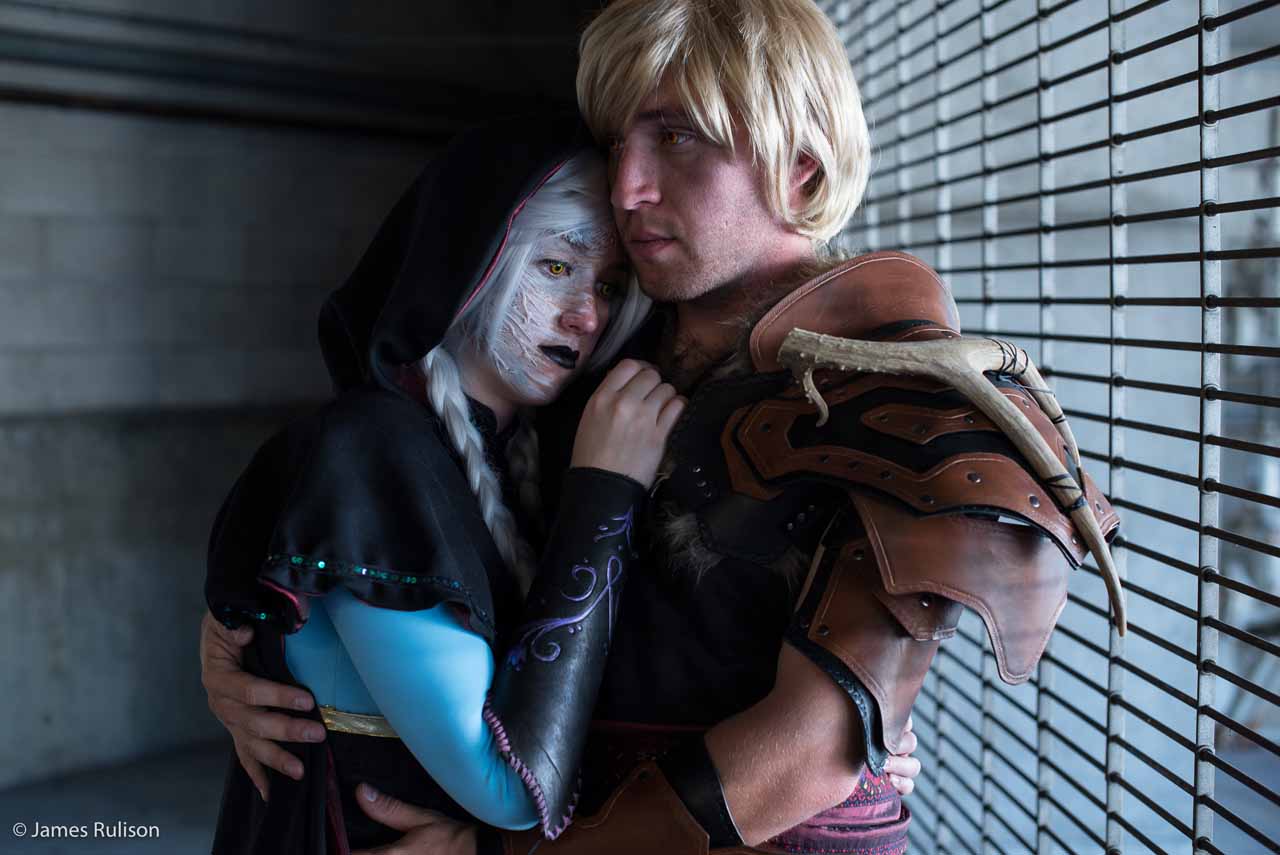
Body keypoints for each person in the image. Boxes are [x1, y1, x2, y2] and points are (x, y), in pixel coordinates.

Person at [203, 1, 1121, 852]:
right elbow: (380, 506)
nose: (629, 186)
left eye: (677, 137)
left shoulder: (899, 393)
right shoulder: (595, 367)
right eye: (620, 142)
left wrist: (510, 850)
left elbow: (808, 756)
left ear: (797, 165)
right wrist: (243, 646)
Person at [203, 117, 682, 853]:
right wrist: (606, 495)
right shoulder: (372, 451)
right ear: (475, 261)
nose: (588, 316)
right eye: (557, 266)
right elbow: (513, 789)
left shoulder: (528, 454)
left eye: (610, 286)